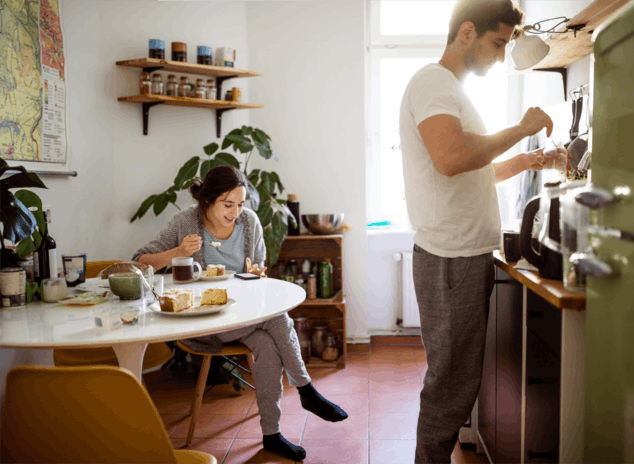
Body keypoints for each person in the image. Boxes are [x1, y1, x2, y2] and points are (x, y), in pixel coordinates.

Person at [399, 1, 571, 462]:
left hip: (458, 256)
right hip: (451, 258)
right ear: (467, 33)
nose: (500, 56)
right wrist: (522, 128)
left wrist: (529, 160)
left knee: (452, 381)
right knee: (450, 386)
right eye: (498, 44)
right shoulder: (434, 82)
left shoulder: (449, 89)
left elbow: (469, 170)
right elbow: (452, 158)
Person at [132, 165, 347, 461]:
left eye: (241, 204)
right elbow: (138, 262)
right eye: (227, 204)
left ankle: (272, 435)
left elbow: (256, 271)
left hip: (245, 315)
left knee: (268, 346)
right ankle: (306, 389)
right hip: (205, 320)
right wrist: (175, 253)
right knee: (277, 317)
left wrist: (256, 273)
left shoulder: (250, 222)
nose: (235, 212)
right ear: (207, 201)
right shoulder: (184, 223)